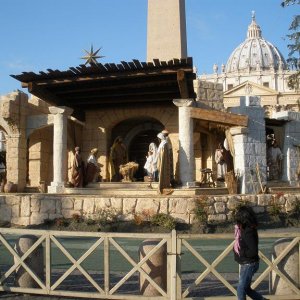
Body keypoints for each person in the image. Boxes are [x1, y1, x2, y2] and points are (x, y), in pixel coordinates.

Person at [233, 205, 267, 300]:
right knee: (246, 288)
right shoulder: (244, 229)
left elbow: (253, 251)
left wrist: (241, 253)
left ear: (242, 218)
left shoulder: (248, 231)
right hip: (247, 263)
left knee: (241, 288)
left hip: (249, 264)